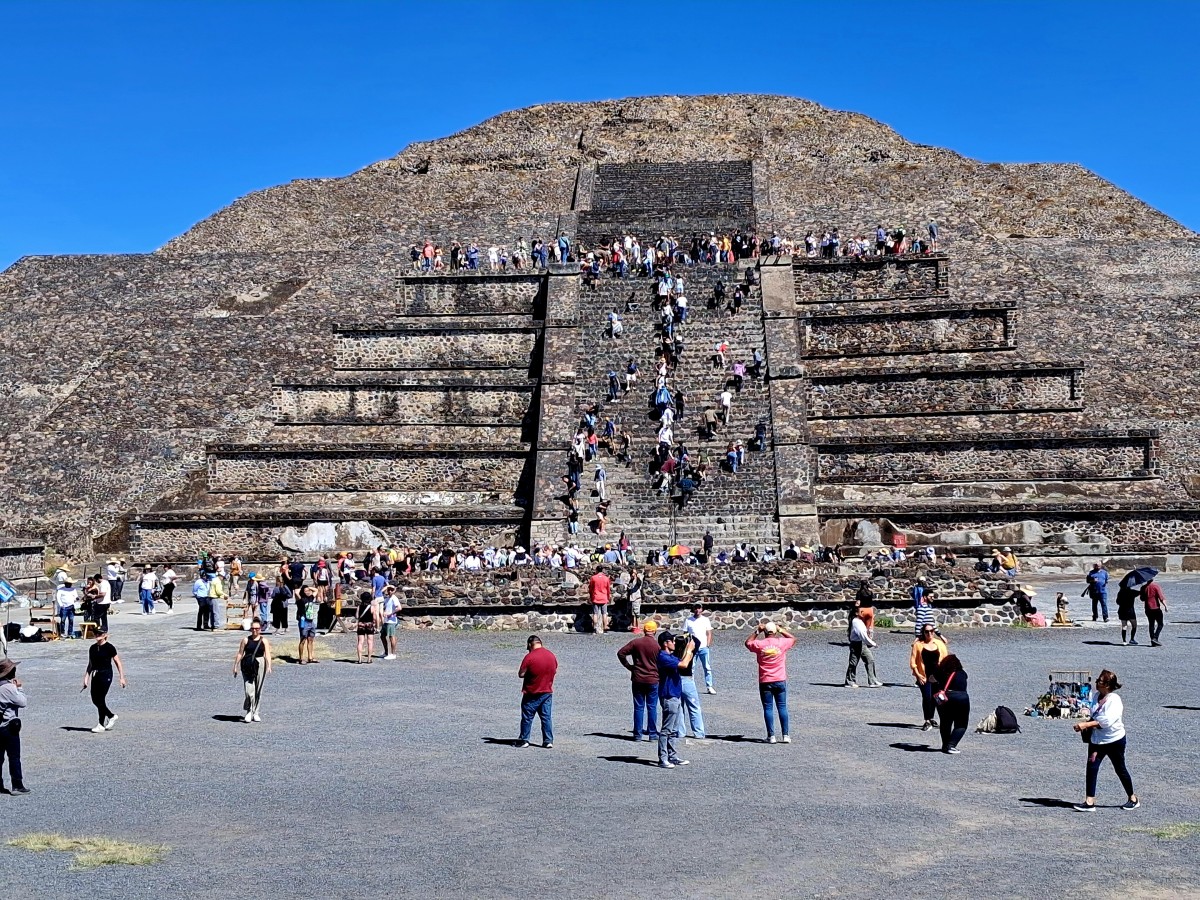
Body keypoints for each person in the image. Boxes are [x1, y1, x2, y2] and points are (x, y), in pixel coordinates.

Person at [1072, 669, 1138, 812]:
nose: (1096, 683)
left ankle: (1133, 798)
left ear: (1108, 685)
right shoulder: (1096, 696)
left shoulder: (1115, 700)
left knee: (1120, 769)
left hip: (1114, 740)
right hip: (1097, 740)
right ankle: (1090, 801)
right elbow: (1094, 713)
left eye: (1099, 681)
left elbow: (1107, 721)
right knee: (1092, 767)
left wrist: (1086, 725)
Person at [745, 620, 796, 743]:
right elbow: (793, 638)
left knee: (768, 708)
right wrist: (781, 629)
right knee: (782, 707)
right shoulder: (781, 643)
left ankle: (771, 736)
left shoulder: (760, 644)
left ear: (765, 632)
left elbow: (747, 643)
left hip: (765, 680)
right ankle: (786, 735)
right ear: (774, 632)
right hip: (780, 679)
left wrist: (757, 631)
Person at [655, 631, 695, 768]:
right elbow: (683, 665)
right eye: (672, 641)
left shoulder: (669, 656)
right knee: (667, 729)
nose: (674, 643)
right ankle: (663, 758)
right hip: (669, 695)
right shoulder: (663, 657)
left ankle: (672, 756)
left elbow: (683, 661)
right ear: (666, 643)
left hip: (675, 695)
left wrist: (686, 648)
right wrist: (689, 650)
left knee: (673, 729)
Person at [617, 621, 661, 741]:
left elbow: (621, 653)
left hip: (638, 678)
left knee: (638, 707)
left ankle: (637, 734)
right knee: (652, 707)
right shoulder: (657, 645)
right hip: (653, 679)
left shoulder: (636, 643)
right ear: (655, 631)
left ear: (644, 630)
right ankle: (652, 734)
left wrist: (629, 666)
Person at [516, 634, 557, 749]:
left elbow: (521, 674)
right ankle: (548, 741)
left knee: (527, 717)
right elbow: (554, 669)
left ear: (530, 644)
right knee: (546, 717)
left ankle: (524, 740)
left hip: (531, 693)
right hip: (547, 692)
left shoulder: (529, 657)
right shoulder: (551, 655)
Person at [83, 631, 126, 733]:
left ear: (105, 635)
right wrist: (86, 678)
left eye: (100, 634)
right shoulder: (92, 648)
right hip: (95, 675)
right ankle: (111, 716)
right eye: (96, 634)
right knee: (95, 699)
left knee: (100, 699)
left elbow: (118, 662)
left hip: (106, 675)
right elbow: (90, 664)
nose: (97, 636)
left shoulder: (109, 647)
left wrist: (122, 677)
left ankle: (101, 724)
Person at [909, 624, 949, 730]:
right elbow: (913, 662)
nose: (929, 633)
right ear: (923, 633)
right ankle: (927, 720)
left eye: (931, 631)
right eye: (927, 631)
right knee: (926, 697)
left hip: (937, 676)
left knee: (936, 697)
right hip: (924, 675)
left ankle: (932, 718)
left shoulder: (939, 644)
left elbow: (945, 660)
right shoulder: (918, 645)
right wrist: (918, 676)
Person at [233, 620, 272, 723]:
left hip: (260, 663)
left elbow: (267, 654)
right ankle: (249, 711)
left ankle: (256, 712)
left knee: (258, 688)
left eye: (257, 629)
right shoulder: (245, 640)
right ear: (250, 629)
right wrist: (235, 666)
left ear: (260, 629)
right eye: (253, 628)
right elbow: (240, 653)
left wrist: (269, 666)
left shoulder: (264, 641)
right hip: (248, 664)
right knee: (249, 689)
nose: (255, 630)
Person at [0, 659, 29, 794]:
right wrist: (19, 688)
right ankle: (17, 785)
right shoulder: (8, 688)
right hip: (8, 727)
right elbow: (23, 702)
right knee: (14, 757)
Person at [934, 654, 970, 754]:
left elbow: (931, 679)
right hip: (961, 698)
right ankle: (951, 745)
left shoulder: (940, 672)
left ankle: (945, 745)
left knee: (945, 722)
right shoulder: (962, 673)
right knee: (961, 724)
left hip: (944, 698)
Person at [676, 632, 706, 740]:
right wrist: (690, 636)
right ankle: (698, 732)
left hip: (676, 680)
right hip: (687, 680)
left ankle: (680, 731)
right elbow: (697, 642)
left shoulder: (673, 653)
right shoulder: (689, 653)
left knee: (679, 708)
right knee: (694, 707)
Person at [845, 608, 882, 688]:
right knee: (853, 663)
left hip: (862, 644)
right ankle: (850, 681)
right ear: (856, 613)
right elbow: (862, 634)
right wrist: (872, 643)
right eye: (861, 611)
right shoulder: (855, 622)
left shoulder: (859, 621)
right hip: (856, 644)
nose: (863, 613)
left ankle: (873, 680)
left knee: (870, 660)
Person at [684, 604, 716, 694]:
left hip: (703, 647)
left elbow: (709, 633)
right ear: (693, 609)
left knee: (707, 667)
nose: (697, 610)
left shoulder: (705, 620)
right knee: (691, 667)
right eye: (696, 608)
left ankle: (709, 686)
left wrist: (708, 644)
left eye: (699, 608)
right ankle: (691, 686)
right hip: (692, 648)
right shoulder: (688, 620)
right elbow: (685, 634)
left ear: (702, 609)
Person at [1141, 577, 1168, 647]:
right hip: (1155, 608)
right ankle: (1155, 638)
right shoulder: (1156, 586)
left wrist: (1143, 591)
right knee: (1160, 624)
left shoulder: (1143, 587)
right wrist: (1165, 606)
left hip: (1147, 608)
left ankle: (1152, 640)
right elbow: (1161, 597)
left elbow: (1142, 599)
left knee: (1151, 624)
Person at [355, 590, 379, 664]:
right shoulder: (372, 607)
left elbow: (356, 616)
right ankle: (369, 659)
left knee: (360, 642)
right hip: (369, 624)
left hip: (361, 624)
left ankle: (360, 659)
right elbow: (375, 617)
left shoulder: (359, 607)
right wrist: (377, 626)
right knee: (370, 642)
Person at [297, 587, 319, 664]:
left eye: (309, 591)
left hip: (311, 621)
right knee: (303, 640)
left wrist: (309, 587)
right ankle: (301, 658)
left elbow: (316, 590)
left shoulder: (311, 598)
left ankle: (310, 657)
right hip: (304, 621)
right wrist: (302, 588)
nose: (308, 592)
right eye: (306, 591)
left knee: (311, 640)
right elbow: (296, 592)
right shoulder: (300, 600)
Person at [1115, 577, 1140, 646]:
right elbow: (1140, 592)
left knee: (1124, 626)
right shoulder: (1132, 592)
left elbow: (1117, 602)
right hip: (1130, 610)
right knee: (1134, 625)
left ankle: (1124, 641)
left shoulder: (1120, 593)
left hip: (1122, 610)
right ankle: (1132, 639)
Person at [588, 566, 611, 634]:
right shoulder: (606, 578)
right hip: (604, 597)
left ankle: (595, 628)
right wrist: (608, 597)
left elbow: (591, 588)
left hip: (596, 597)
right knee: (604, 613)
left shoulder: (593, 578)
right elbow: (608, 589)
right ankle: (605, 628)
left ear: (597, 570)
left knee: (595, 613)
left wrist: (591, 596)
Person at [379, 586, 400, 660]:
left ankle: (393, 654)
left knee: (391, 636)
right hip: (386, 620)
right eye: (389, 590)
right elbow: (380, 592)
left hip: (391, 620)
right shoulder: (387, 599)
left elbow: (399, 608)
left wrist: (390, 614)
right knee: (382, 636)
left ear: (394, 591)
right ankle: (386, 652)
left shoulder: (394, 598)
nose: (390, 591)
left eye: (391, 590)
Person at [626, 567, 644, 632]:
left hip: (636, 598)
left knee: (637, 614)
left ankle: (638, 627)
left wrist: (636, 576)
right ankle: (634, 626)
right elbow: (629, 588)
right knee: (633, 614)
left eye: (634, 572)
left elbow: (638, 585)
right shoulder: (631, 581)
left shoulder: (637, 580)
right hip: (632, 599)